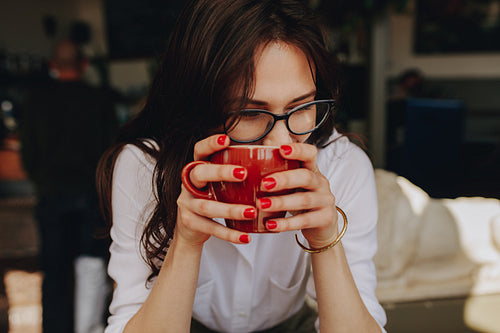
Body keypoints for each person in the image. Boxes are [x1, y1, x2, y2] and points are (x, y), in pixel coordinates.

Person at [98, 0, 387, 332]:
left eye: (302, 106)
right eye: (249, 113)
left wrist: (325, 240)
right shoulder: (145, 167)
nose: (281, 144)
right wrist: (186, 242)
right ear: (198, 109)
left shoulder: (341, 165)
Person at [20, 39, 118, 333]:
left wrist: (42, 182)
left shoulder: (35, 101)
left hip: (51, 195)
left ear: (52, 66)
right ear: (84, 65)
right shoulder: (100, 99)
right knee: (91, 269)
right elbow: (111, 149)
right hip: (91, 195)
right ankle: (90, 328)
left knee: (55, 271)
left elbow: (29, 155)